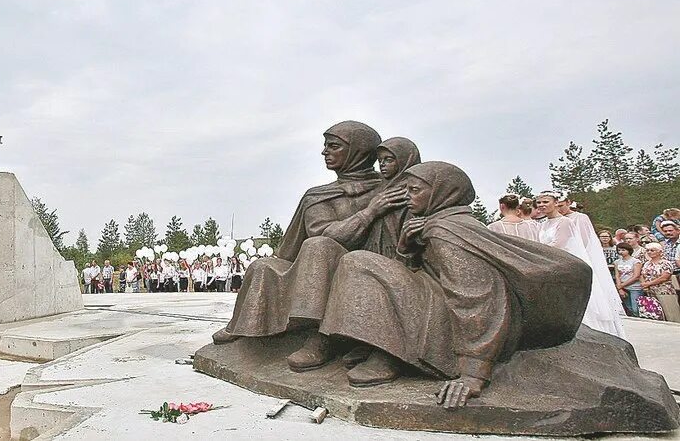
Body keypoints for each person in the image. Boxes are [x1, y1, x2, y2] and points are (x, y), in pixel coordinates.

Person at [319, 162, 589, 407]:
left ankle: (393, 354)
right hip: (436, 304)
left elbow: (479, 298)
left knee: (358, 263)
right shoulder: (436, 222)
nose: (407, 197)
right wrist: (405, 248)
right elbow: (419, 271)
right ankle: (381, 347)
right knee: (361, 262)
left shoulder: (447, 231)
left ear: (441, 193)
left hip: (452, 329)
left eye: (414, 190)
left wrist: (473, 373)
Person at [212, 121, 410, 374]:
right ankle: (242, 326)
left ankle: (324, 338)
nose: (324, 152)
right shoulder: (319, 195)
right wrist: (369, 213)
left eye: (334, 146)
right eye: (325, 146)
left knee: (320, 247)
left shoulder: (388, 191)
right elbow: (313, 236)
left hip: (358, 270)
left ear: (358, 151)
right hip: (313, 268)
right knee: (263, 265)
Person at [535, 192, 625, 338]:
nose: (541, 205)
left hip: (563, 264)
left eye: (545, 202)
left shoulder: (564, 222)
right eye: (539, 203)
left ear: (556, 202)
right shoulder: (543, 224)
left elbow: (559, 245)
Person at [640, 242, 680, 322]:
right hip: (650, 291)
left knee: (670, 313)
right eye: (648, 250)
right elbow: (642, 274)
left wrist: (648, 284)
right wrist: (644, 284)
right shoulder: (647, 263)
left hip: (664, 291)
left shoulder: (666, 263)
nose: (649, 252)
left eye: (652, 250)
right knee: (654, 313)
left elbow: (664, 277)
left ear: (660, 252)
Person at [614, 242, 643, 317]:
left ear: (628, 250)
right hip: (623, 287)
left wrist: (621, 285)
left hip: (635, 287)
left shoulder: (636, 261)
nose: (621, 252)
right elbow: (617, 275)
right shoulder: (617, 262)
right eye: (619, 250)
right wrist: (620, 288)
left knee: (636, 308)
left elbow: (636, 276)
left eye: (623, 250)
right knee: (629, 307)